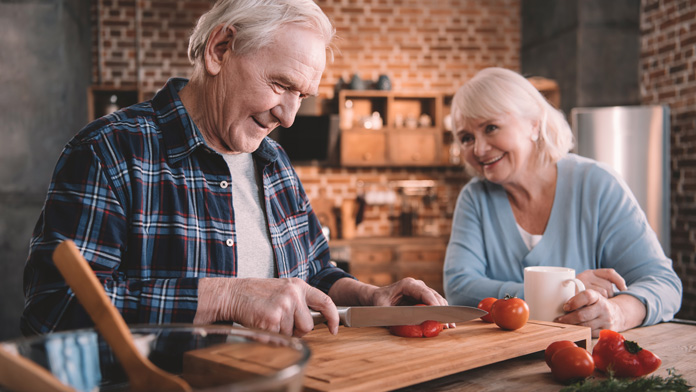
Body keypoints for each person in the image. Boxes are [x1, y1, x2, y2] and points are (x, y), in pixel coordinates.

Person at [21, 0, 448, 338]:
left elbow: (315, 272)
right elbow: (55, 310)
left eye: (302, 95)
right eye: (280, 85)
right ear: (219, 49)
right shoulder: (109, 151)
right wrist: (228, 297)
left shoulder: (274, 162)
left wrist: (371, 296)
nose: (289, 116)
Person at [443, 67, 682, 336]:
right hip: (499, 364)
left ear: (533, 123)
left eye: (491, 128)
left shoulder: (597, 185)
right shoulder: (475, 199)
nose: (479, 149)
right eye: (466, 138)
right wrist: (556, 291)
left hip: (582, 363)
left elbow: (664, 283)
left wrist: (617, 312)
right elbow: (459, 289)